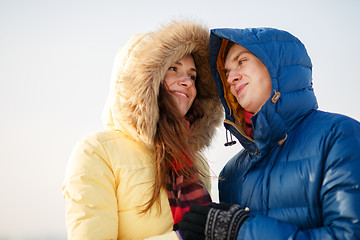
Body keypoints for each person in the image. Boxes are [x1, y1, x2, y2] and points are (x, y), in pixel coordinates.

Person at [177, 27, 360, 239]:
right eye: (226, 73)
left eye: (242, 61)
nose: (231, 78)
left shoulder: (339, 136)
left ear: (276, 66)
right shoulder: (231, 173)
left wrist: (242, 230)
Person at [62, 21, 223, 240]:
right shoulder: (98, 152)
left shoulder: (196, 164)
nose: (186, 82)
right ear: (145, 79)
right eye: (173, 69)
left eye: (192, 76)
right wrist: (181, 238)